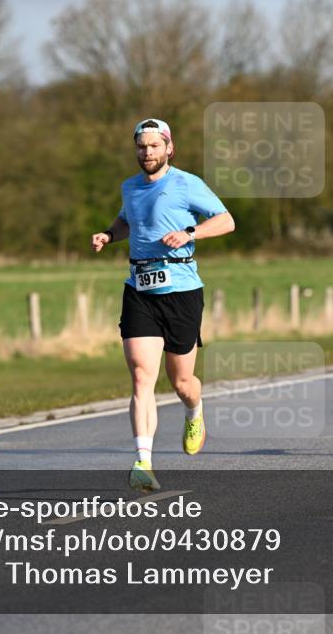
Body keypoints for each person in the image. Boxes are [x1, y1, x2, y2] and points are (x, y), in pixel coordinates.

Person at [91, 118, 235, 490]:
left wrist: (190, 232)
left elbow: (226, 221)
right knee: (141, 377)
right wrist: (109, 234)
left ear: (169, 147)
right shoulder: (130, 187)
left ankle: (194, 410)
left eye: (154, 146)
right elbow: (128, 220)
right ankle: (143, 462)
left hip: (182, 289)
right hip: (139, 287)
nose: (147, 152)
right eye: (142, 146)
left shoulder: (187, 183)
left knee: (181, 381)